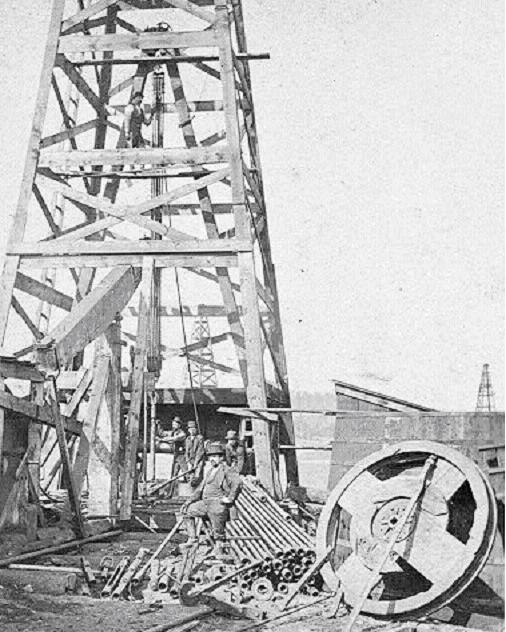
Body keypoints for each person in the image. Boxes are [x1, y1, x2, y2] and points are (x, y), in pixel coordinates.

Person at [181, 442, 241, 558]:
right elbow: (199, 490)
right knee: (187, 511)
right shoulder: (209, 471)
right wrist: (188, 501)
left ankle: (219, 548)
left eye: (215, 457)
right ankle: (192, 538)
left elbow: (237, 483)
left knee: (217, 518)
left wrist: (230, 498)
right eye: (210, 457)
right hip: (205, 502)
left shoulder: (227, 470)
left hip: (218, 502)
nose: (212, 459)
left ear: (221, 458)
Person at [157, 416, 187, 484]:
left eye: (175, 424)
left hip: (181, 455)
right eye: (173, 424)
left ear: (179, 425)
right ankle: (172, 489)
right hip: (176, 454)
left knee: (185, 471)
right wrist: (158, 425)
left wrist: (161, 440)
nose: (173, 426)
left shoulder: (182, 434)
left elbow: (173, 439)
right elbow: (162, 433)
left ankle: (190, 485)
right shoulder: (173, 432)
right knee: (174, 474)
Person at [185, 420, 205, 487]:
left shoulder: (200, 438)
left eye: (194, 428)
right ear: (188, 430)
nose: (192, 430)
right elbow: (186, 452)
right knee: (190, 476)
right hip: (191, 461)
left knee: (198, 476)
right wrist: (188, 462)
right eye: (190, 429)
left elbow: (200, 452)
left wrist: (196, 463)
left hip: (199, 461)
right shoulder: (187, 439)